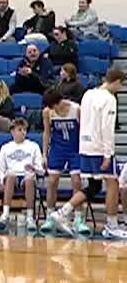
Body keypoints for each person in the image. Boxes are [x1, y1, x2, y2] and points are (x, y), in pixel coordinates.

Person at [48, 67, 125, 237]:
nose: (120, 89)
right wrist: (108, 153)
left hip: (85, 146)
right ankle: (111, 225)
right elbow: (106, 127)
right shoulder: (109, 99)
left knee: (94, 186)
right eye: (120, 85)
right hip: (99, 147)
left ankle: (62, 212)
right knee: (113, 183)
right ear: (117, 81)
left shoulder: (88, 94)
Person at [41, 88, 83, 233]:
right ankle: (49, 216)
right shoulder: (47, 112)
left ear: (58, 102)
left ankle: (78, 219)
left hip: (75, 148)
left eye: (53, 106)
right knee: (52, 181)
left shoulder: (76, 109)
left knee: (77, 182)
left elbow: (82, 131)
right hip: (57, 149)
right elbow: (46, 133)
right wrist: (44, 154)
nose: (51, 109)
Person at [0, 118, 44, 231]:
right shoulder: (5, 147)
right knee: (10, 175)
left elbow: (41, 170)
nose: (23, 132)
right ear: (12, 131)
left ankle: (30, 217)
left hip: (27, 176)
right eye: (20, 130)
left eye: (25, 130)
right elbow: (0, 169)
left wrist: (34, 168)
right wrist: (2, 181)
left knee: (30, 178)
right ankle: (5, 214)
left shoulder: (34, 146)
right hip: (12, 177)